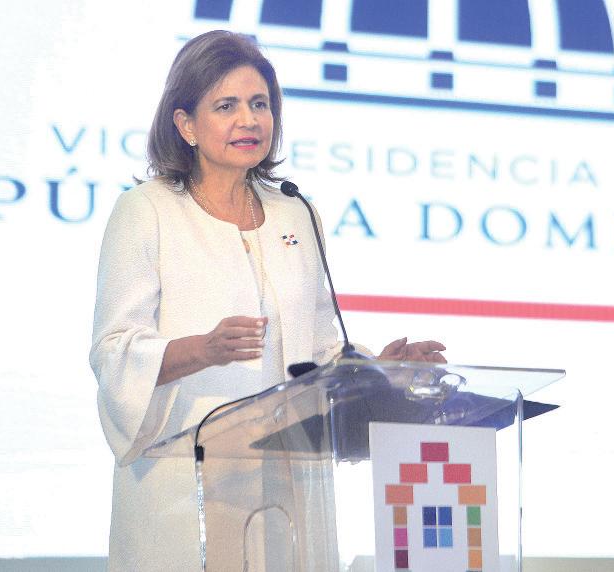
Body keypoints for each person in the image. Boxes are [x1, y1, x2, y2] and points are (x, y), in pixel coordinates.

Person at [89, 30, 445, 571]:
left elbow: (319, 350)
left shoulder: (295, 212)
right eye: (226, 106)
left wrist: (379, 369)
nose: (249, 120)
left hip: (290, 480)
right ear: (186, 124)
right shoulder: (147, 211)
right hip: (185, 483)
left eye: (260, 104)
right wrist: (203, 349)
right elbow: (115, 352)